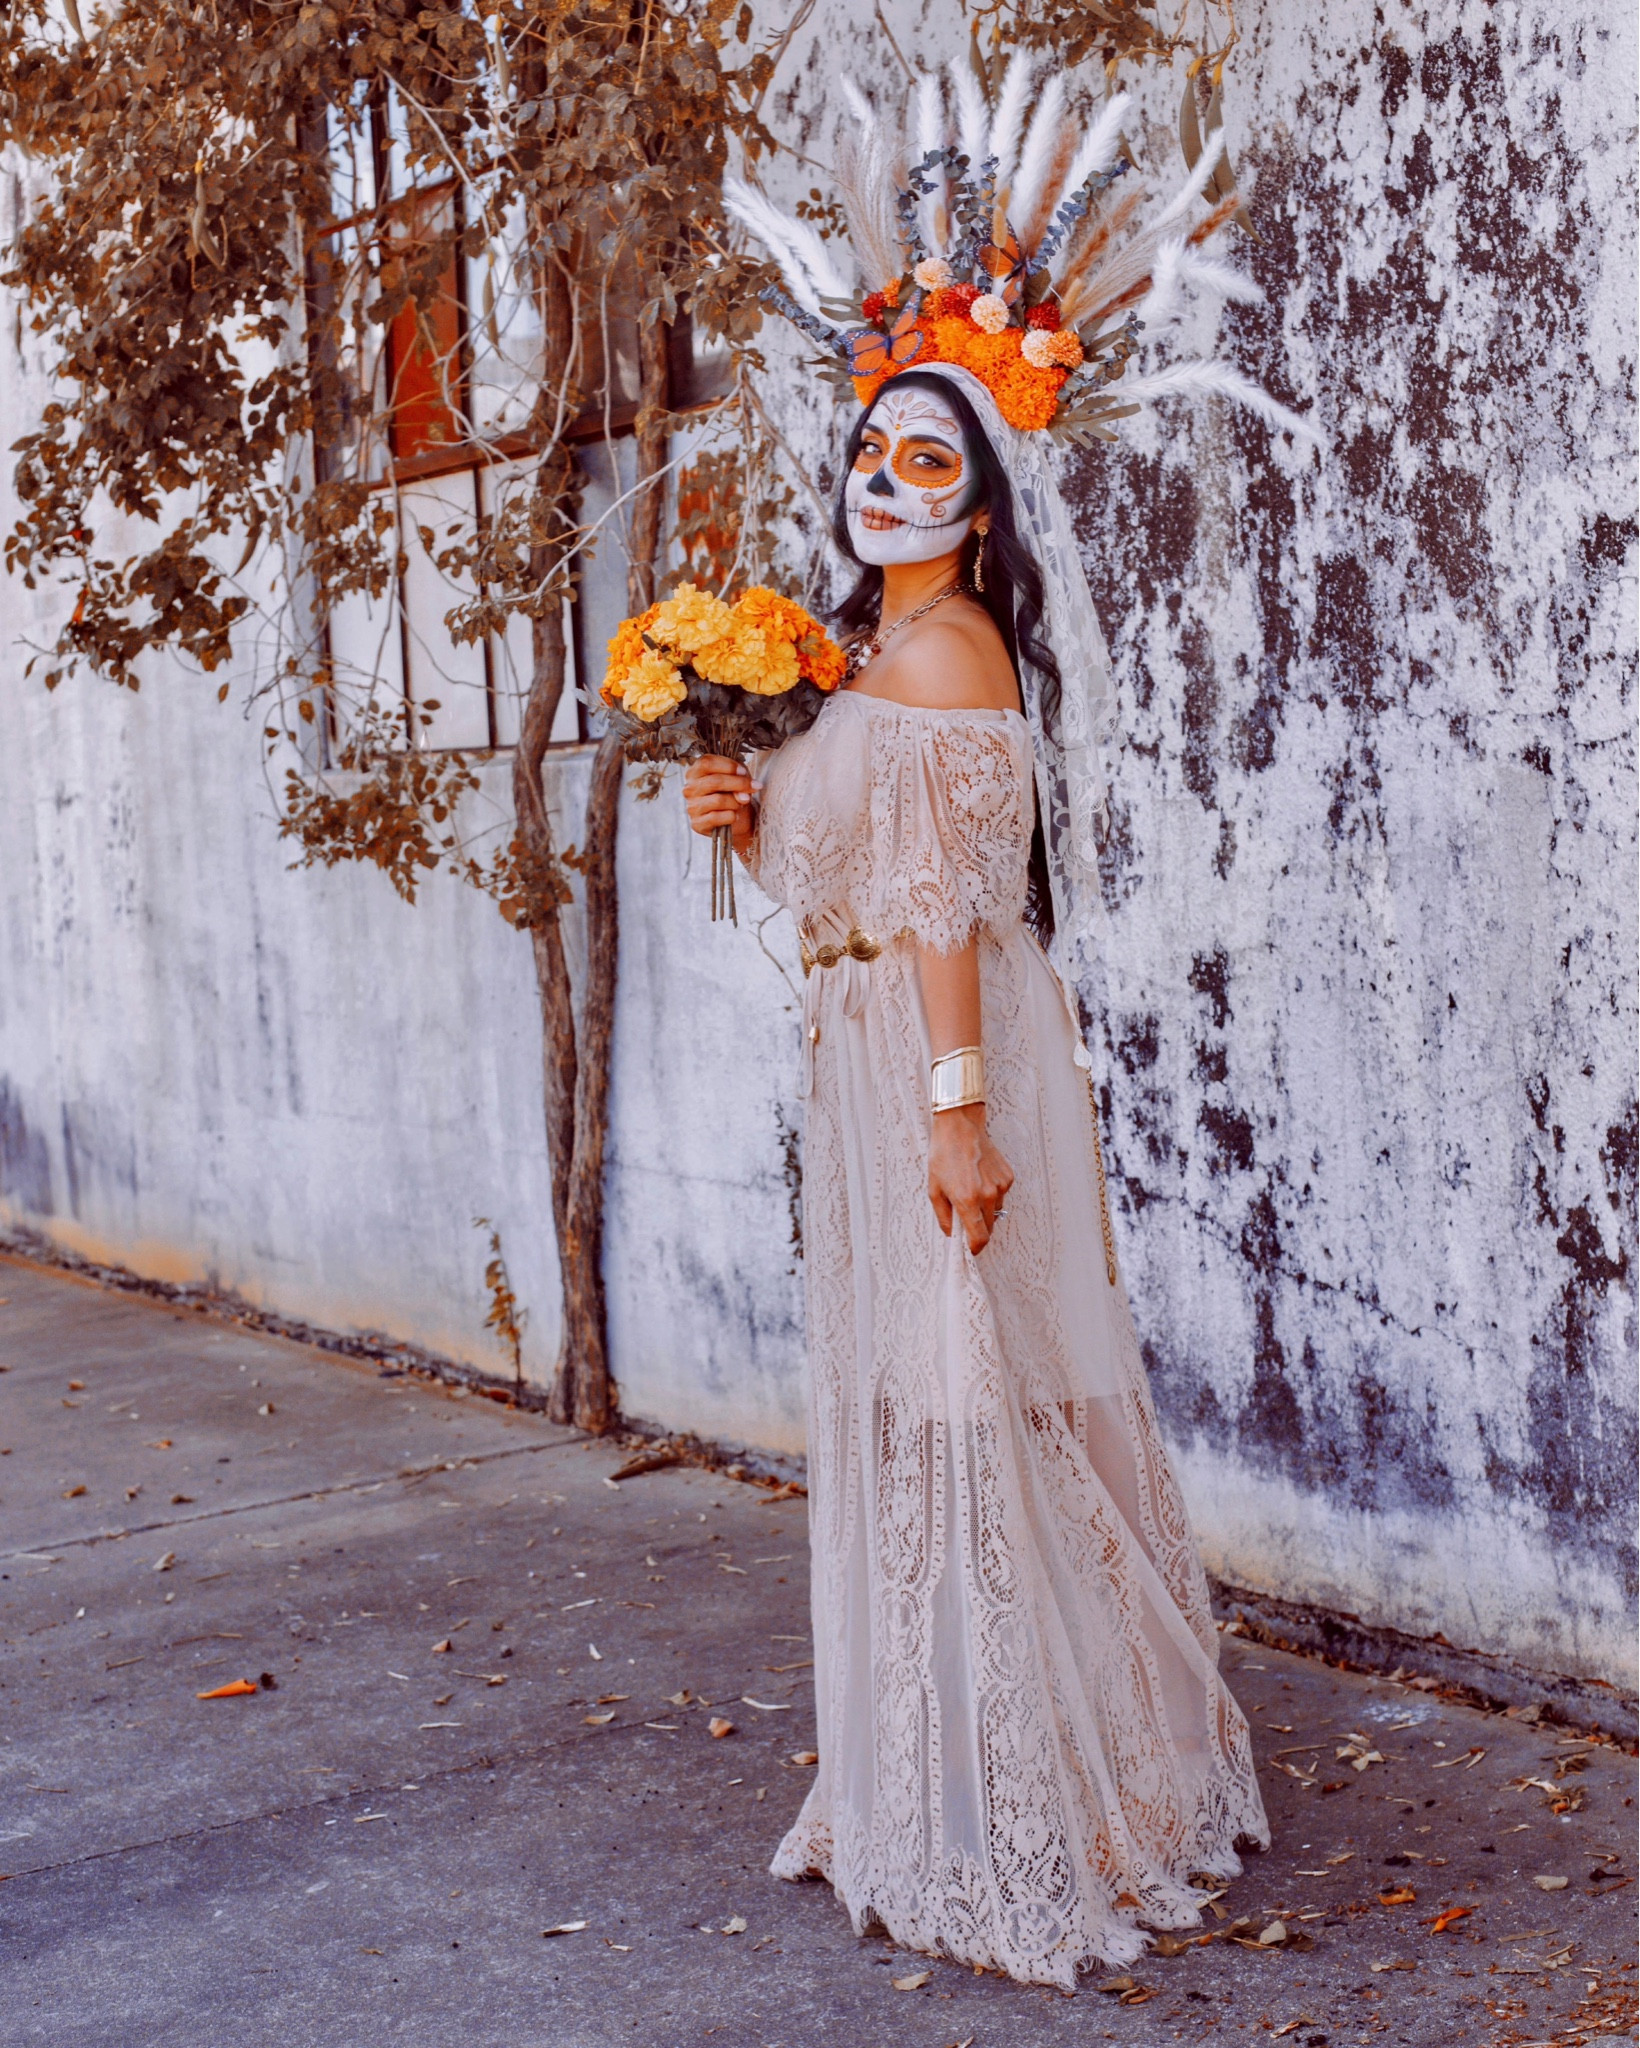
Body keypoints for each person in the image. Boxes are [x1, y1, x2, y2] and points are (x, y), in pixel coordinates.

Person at [680, 57, 1314, 1988]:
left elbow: (952, 904)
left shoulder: (945, 651)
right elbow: (852, 862)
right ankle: (937, 1771)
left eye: (925, 462)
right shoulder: (874, 648)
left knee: (974, 1408)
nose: (886, 486)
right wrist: (742, 796)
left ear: (984, 491)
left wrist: (957, 1109)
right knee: (929, 1411)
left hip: (937, 1061)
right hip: (884, 1052)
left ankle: (1055, 1789)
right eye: (870, 459)